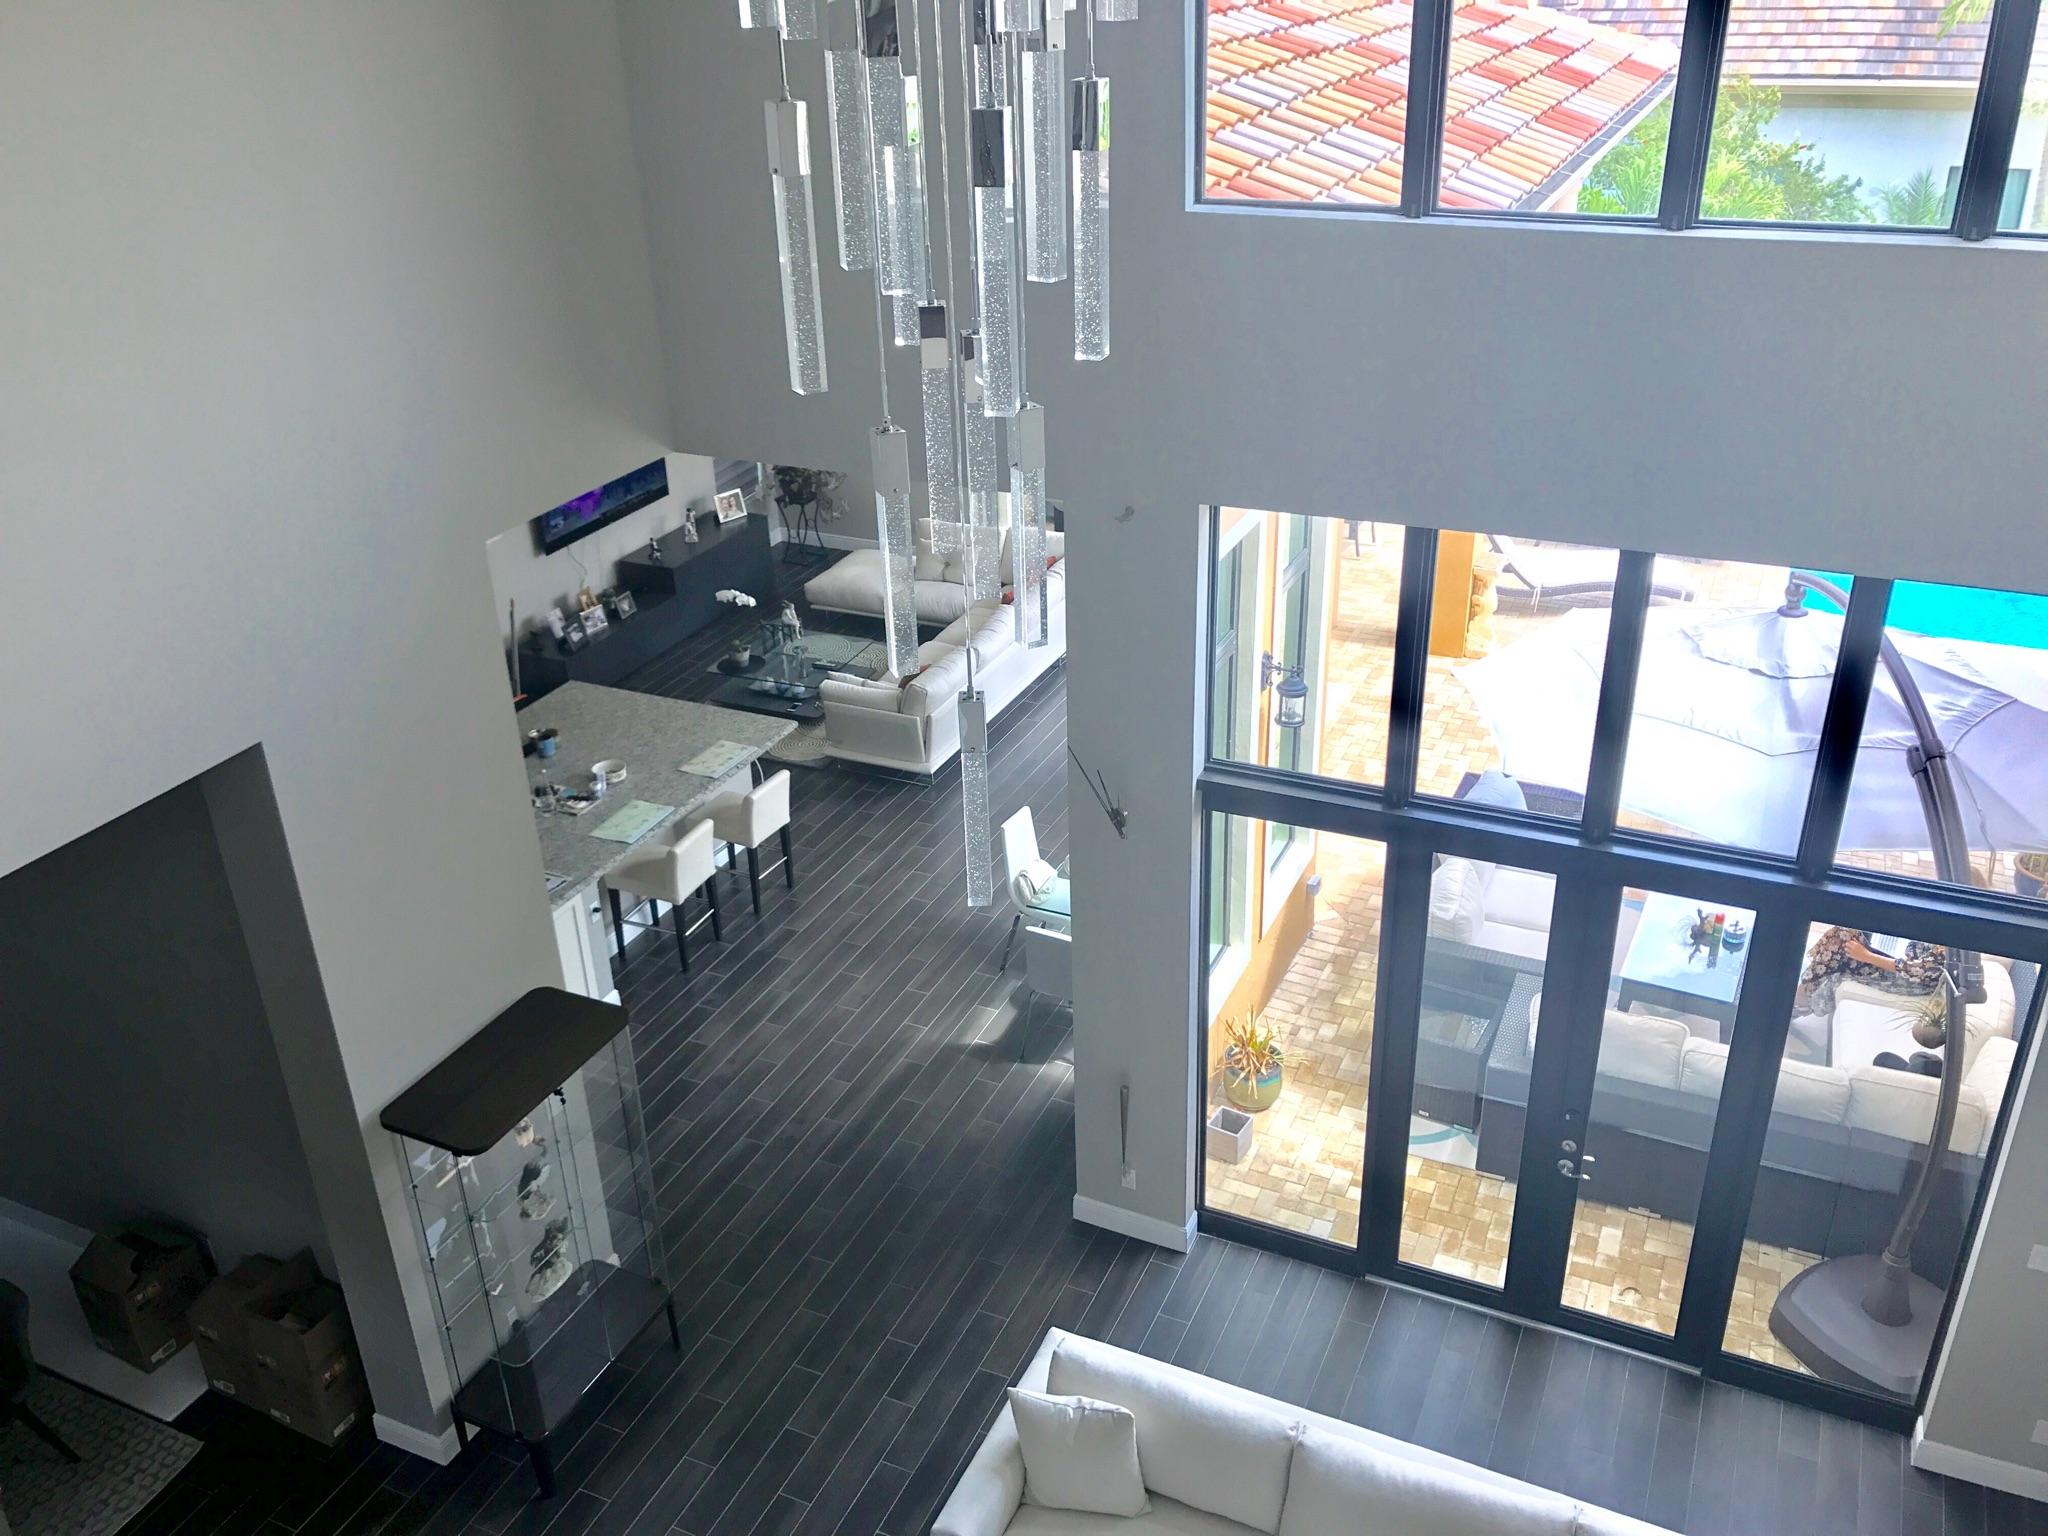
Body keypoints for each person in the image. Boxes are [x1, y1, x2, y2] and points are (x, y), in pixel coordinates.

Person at [1797, 926, 1948, 1075]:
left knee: (1839, 971)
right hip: (1902, 970)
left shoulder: (1949, 935)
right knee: (1842, 934)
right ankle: (1802, 995)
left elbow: (1918, 970)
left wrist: (1866, 955)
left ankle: (1799, 1001)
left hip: (1913, 983)